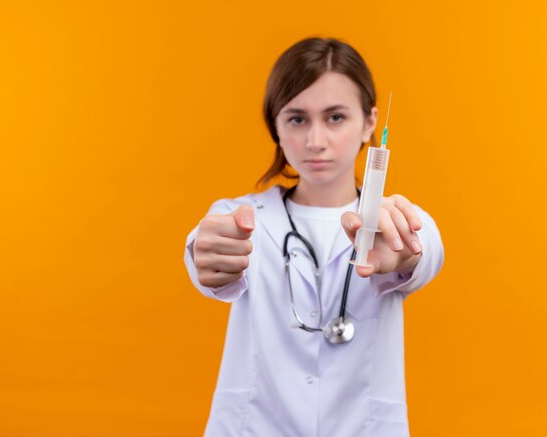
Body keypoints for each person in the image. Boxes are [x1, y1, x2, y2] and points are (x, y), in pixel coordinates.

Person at [183, 37, 444, 437]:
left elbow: (426, 252)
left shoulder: (394, 219)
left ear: (370, 123)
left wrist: (400, 254)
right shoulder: (239, 217)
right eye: (297, 118)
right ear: (276, 125)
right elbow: (205, 250)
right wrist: (209, 254)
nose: (315, 141)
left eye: (335, 117)